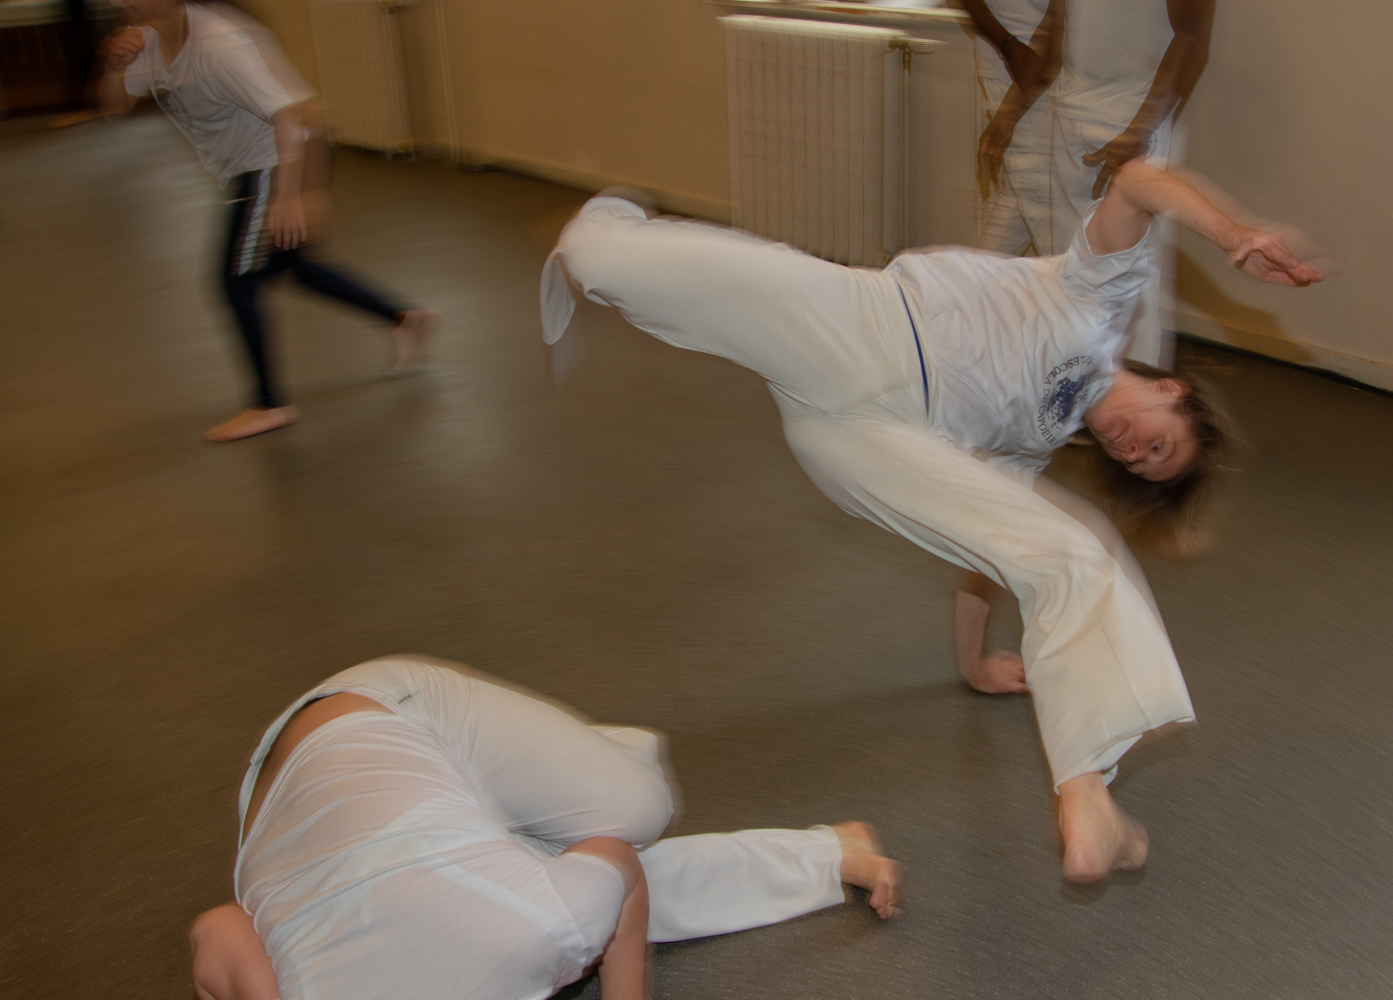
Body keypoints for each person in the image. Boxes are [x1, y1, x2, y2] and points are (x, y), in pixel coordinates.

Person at [540, 161, 1322, 882]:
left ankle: (1086, 793)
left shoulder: (1036, 440)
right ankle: (604, 226)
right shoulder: (1100, 300)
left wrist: (973, 663)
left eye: (1142, 465)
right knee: (607, 260)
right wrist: (1235, 232)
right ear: (1173, 392)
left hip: (863, 442)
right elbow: (1140, 181)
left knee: (1071, 550)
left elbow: (984, 552)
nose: (1133, 452)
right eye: (1157, 443)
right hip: (866, 326)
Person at [190, 656, 901, 1000]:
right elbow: (220, 930)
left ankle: (557, 788)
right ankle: (828, 853)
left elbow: (619, 865)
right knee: (578, 905)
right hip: (284, 803)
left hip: (383, 711)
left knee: (638, 815)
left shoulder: (531, 930)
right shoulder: (531, 927)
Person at [97, 0, 437, 442]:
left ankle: (269, 404)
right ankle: (404, 317)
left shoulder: (217, 46)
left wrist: (295, 195)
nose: (123, 2)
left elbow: (291, 116)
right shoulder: (147, 40)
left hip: (272, 164)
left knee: (236, 281)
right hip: (248, 168)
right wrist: (114, 67)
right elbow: (114, 108)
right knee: (294, 267)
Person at [972, 0, 1216, 369]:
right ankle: (1073, 384)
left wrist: (1137, 131)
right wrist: (1010, 111)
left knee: (1129, 274)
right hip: (1070, 110)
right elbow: (1056, 25)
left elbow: (1192, 36)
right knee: (1070, 263)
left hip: (1134, 113)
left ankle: (1129, 387)